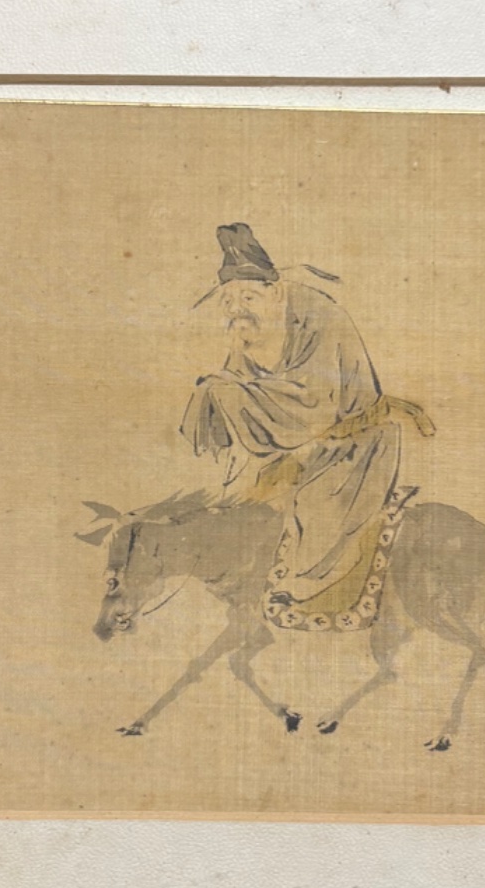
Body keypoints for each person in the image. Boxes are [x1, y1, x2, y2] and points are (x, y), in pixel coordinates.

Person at [180, 223, 431, 629]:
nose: (237, 308)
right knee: (241, 509)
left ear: (276, 292)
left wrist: (231, 393)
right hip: (298, 446)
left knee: (316, 518)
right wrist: (221, 391)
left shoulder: (319, 317)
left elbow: (315, 403)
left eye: (248, 297)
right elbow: (239, 382)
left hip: (353, 446)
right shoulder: (249, 326)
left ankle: (308, 591)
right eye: (229, 301)